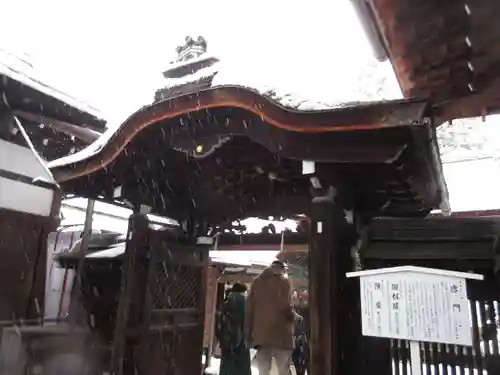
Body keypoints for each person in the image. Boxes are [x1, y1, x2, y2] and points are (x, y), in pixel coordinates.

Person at [246, 260, 295, 375]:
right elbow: (285, 306)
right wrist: (293, 318)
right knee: (283, 370)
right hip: (281, 334)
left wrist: (249, 331)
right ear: (282, 269)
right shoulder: (285, 282)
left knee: (263, 370)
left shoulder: (256, 282)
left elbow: (249, 308)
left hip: (260, 335)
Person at [216, 283, 251, 375]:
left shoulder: (228, 301)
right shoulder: (247, 301)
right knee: (242, 367)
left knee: (228, 365)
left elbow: (220, 321)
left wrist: (221, 338)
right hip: (243, 340)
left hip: (228, 339)